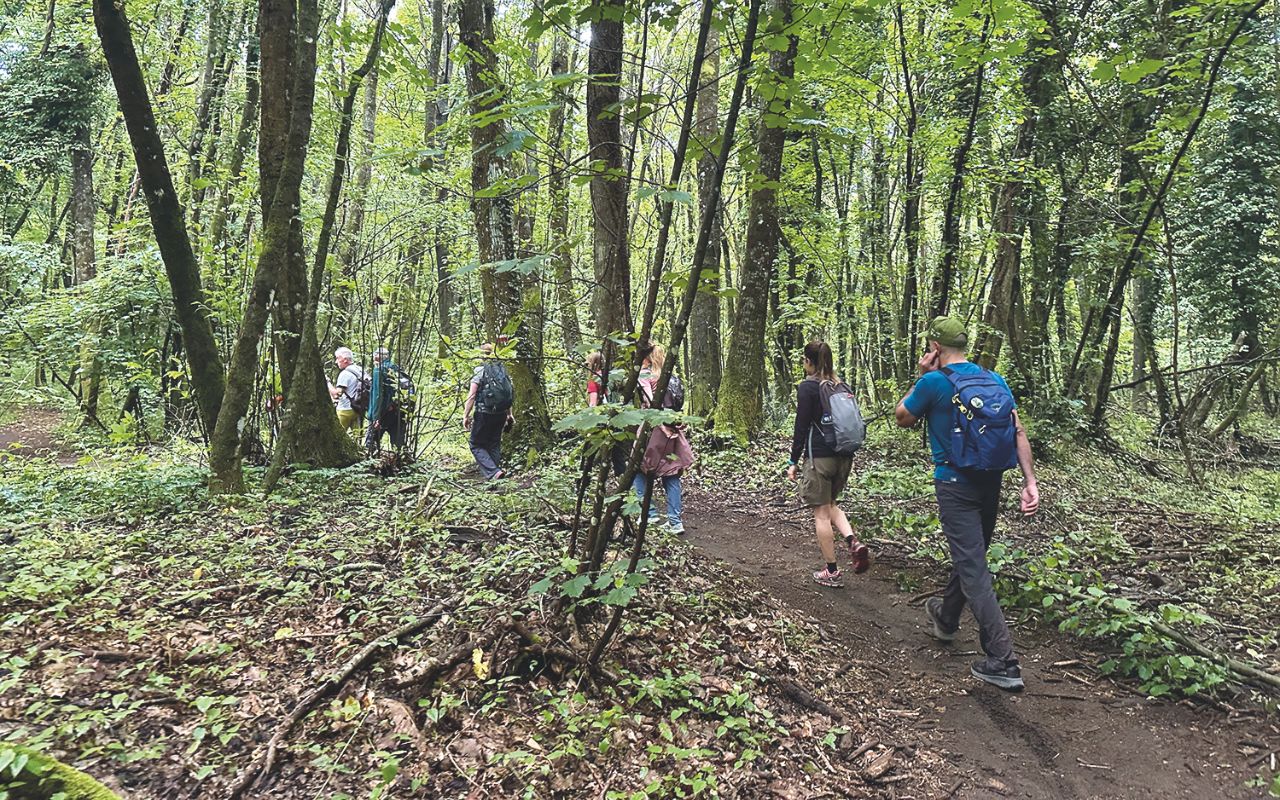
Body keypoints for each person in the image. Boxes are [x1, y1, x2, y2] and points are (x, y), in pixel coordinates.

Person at [895, 316, 1040, 691]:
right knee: (971, 558)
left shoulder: (934, 382)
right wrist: (1030, 481)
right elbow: (1018, 431)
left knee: (973, 568)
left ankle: (1003, 660)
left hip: (955, 486)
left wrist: (921, 375)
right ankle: (945, 618)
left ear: (936, 348)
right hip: (991, 483)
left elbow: (902, 418)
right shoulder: (994, 379)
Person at [786, 341, 871, 588]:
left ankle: (831, 571)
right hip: (844, 457)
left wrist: (793, 460)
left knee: (821, 514)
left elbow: (801, 427)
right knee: (831, 504)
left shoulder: (808, 387)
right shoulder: (839, 384)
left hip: (820, 458)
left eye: (804, 360)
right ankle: (853, 541)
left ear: (809, 362)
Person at [634, 344, 693, 534]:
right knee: (671, 472)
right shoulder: (669, 376)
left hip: (654, 427)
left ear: (648, 358)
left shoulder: (644, 374)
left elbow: (652, 403)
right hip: (672, 427)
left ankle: (649, 514)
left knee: (638, 468)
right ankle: (675, 521)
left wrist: (659, 424)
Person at [463, 343, 514, 479]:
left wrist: (465, 416)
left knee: (475, 444)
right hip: (501, 413)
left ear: (481, 355)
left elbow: (472, 395)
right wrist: (509, 414)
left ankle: (494, 473)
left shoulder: (480, 371)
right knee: (493, 443)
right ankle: (495, 478)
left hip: (483, 413)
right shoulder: (502, 370)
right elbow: (508, 393)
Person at [366, 347, 408, 453]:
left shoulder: (378, 370)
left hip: (383, 412)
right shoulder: (396, 368)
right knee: (398, 444)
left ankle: (368, 464)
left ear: (378, 357)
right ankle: (401, 464)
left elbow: (377, 395)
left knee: (371, 443)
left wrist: (376, 417)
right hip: (399, 410)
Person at [328, 347, 365, 432]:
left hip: (345, 410)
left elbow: (336, 394)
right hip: (358, 409)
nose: (336, 361)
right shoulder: (360, 369)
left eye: (337, 358)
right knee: (357, 437)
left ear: (345, 360)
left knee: (337, 435)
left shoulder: (345, 374)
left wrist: (327, 382)